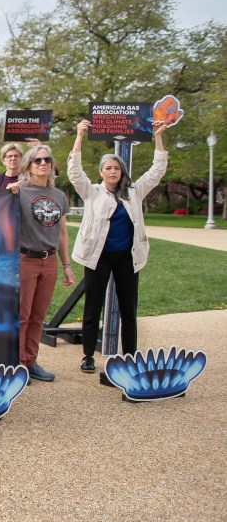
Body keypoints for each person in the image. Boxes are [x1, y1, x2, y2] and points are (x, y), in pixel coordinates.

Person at [68, 119, 169, 372]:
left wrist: (157, 136)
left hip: (127, 257)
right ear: (101, 172)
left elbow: (157, 170)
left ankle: (131, 356)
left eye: (117, 168)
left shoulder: (135, 191)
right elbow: (74, 172)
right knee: (93, 307)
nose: (113, 172)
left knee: (128, 310)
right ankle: (88, 355)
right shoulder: (91, 191)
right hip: (98, 256)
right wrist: (79, 136)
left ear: (122, 171)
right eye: (108, 168)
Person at [7, 145, 75, 382]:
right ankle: (16, 364)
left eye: (47, 159)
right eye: (37, 160)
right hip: (26, 259)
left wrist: (66, 264)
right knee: (22, 316)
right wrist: (10, 192)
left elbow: (63, 232)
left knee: (38, 316)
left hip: (49, 261)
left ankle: (30, 360)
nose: (43, 163)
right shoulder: (20, 192)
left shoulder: (58, 196)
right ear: (28, 165)